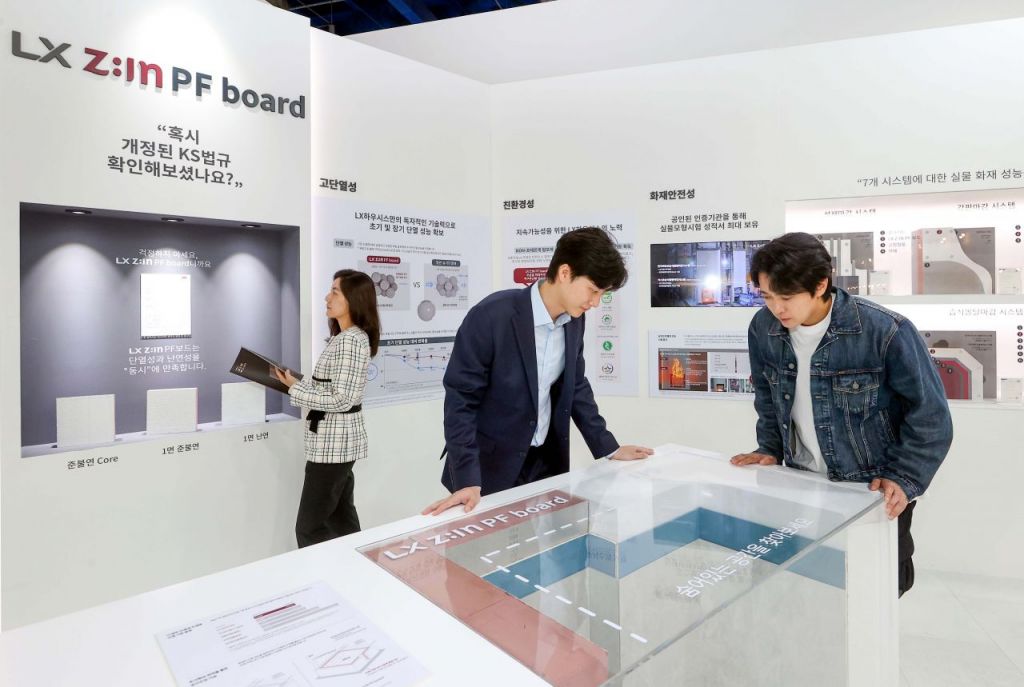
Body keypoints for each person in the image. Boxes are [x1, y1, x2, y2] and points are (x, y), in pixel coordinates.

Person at [730, 232, 952, 596]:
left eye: (786, 297)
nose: (777, 308)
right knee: (810, 588)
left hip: (870, 489)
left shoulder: (884, 330)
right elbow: (767, 397)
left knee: (875, 592)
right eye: (767, 296)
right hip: (802, 483)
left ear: (820, 285)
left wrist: (904, 477)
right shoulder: (763, 328)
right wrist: (769, 448)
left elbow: (930, 415)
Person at [423, 227, 653, 516]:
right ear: (565, 273)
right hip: (488, 469)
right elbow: (461, 401)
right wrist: (467, 478)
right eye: (593, 290)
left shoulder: (574, 321)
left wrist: (608, 447)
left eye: (602, 294)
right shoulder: (492, 316)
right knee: (490, 544)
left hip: (544, 463)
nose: (595, 303)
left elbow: (575, 385)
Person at [274, 269, 380, 547]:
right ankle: (357, 566)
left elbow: (342, 399)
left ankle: (326, 571)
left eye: (334, 292)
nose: (327, 298)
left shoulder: (350, 341)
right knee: (341, 519)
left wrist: (295, 390)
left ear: (354, 299)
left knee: (309, 528)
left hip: (334, 445)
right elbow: (331, 390)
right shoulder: (345, 337)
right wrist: (296, 383)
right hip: (335, 443)